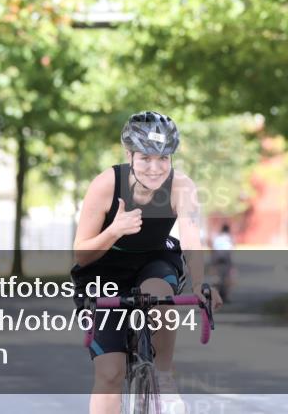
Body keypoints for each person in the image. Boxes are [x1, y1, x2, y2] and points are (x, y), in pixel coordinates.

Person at [71, 110, 223, 414]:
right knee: (110, 374)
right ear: (129, 155)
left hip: (154, 261)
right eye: (145, 158)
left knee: (160, 293)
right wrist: (114, 230)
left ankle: (164, 377)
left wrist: (198, 284)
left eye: (163, 159)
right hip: (104, 270)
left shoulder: (181, 186)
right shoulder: (106, 185)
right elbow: (82, 253)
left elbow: (191, 238)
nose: (155, 168)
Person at [210, 223, 235, 303]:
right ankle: (226, 296)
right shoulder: (229, 238)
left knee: (216, 278)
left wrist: (212, 262)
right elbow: (231, 250)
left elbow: (213, 249)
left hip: (217, 258)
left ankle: (215, 295)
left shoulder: (217, 237)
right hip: (226, 258)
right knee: (227, 278)